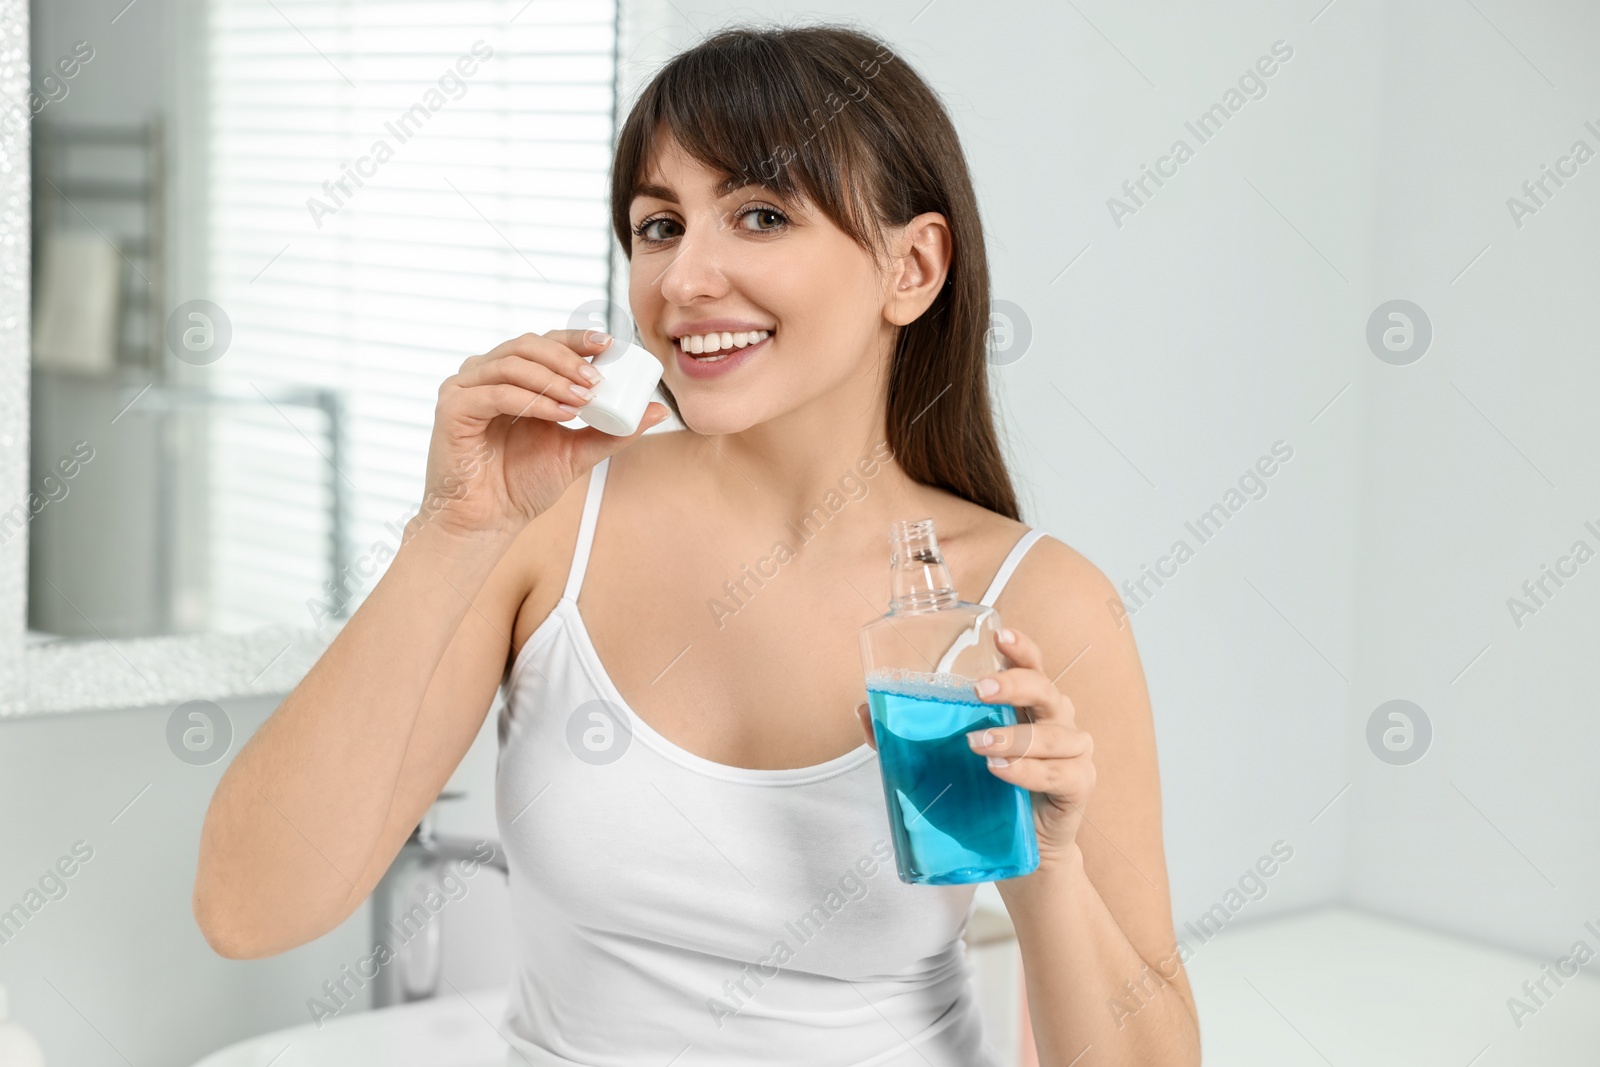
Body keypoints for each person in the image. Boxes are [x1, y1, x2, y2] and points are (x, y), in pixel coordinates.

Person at [193, 21, 1200, 1066]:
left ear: (912, 265)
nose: (684, 279)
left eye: (760, 214)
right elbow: (247, 907)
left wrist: (1045, 862)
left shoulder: (1034, 606)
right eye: (659, 223)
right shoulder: (550, 523)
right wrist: (451, 534)